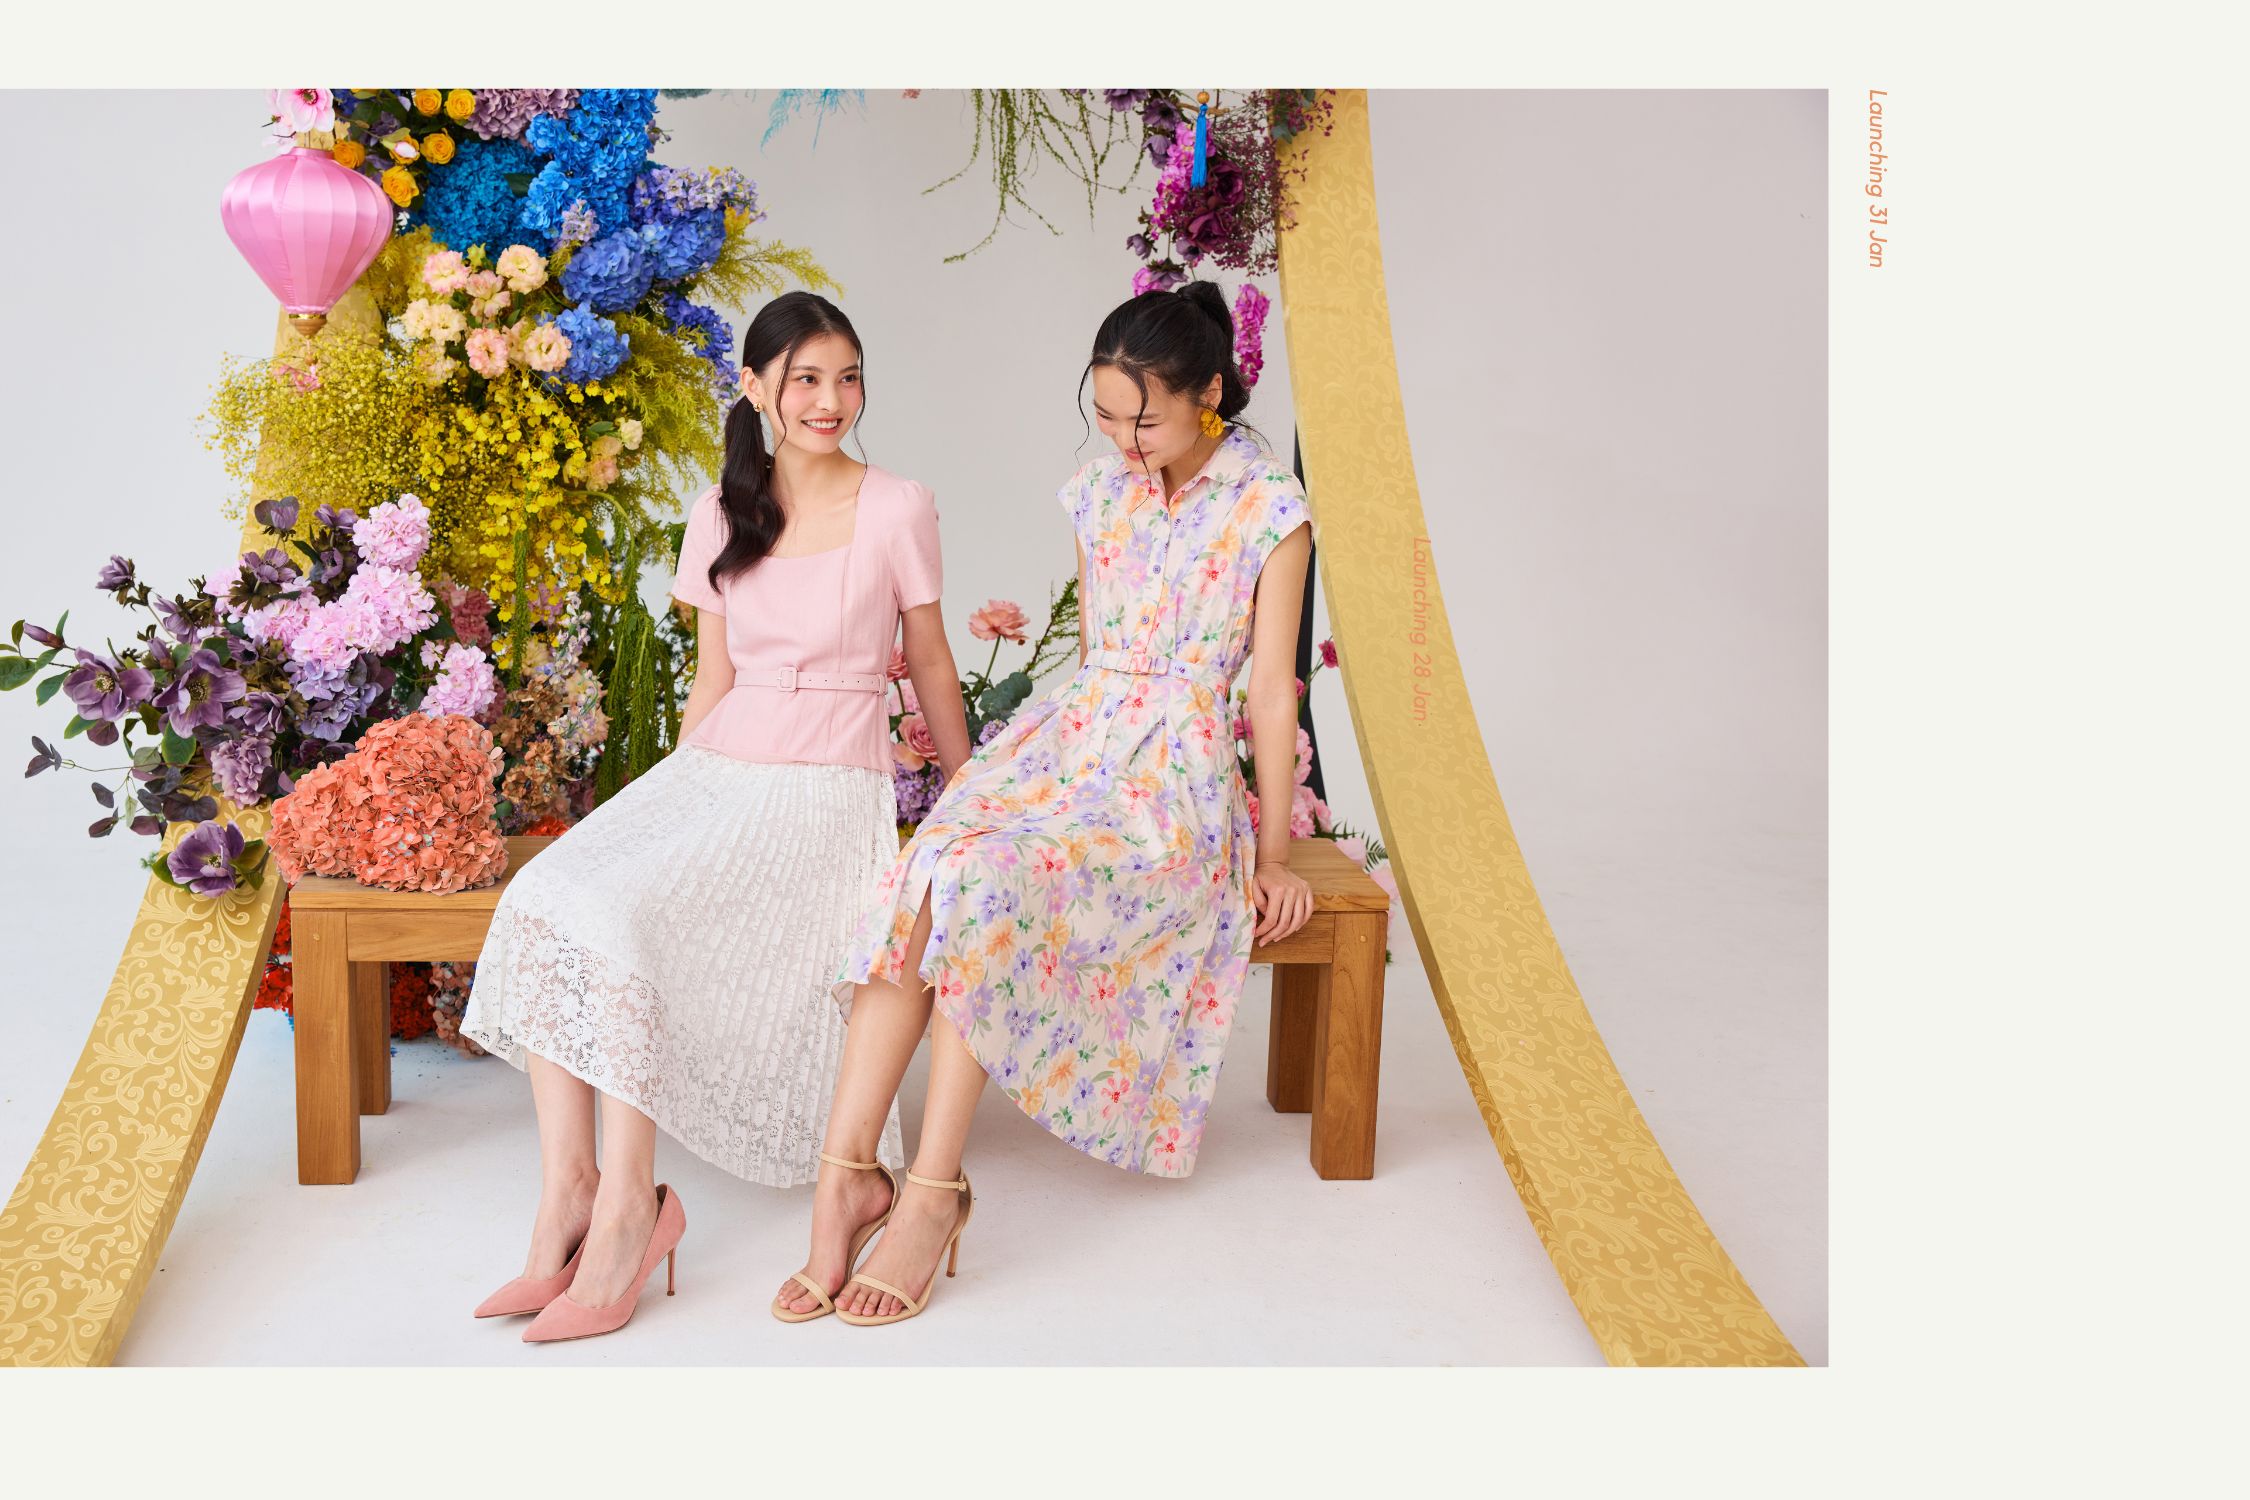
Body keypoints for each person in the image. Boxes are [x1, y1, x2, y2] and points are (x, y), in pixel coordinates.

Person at [770, 280, 1315, 1327]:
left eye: (1144, 421)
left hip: (1172, 784)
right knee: (932, 864)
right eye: (1105, 416)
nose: (1123, 442)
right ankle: (848, 1176)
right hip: (1073, 745)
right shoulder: (1099, 490)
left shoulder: (1269, 509)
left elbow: (1270, 689)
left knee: (986, 879)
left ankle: (933, 1193)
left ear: (1209, 394)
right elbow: (1099, 651)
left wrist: (1277, 854)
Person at [462, 290, 969, 1343]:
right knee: (552, 893)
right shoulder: (719, 512)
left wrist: (968, 793)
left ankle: (627, 1216)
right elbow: (713, 678)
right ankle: (571, 1193)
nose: (831, 401)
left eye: (848, 378)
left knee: (626, 922)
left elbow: (927, 657)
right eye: (806, 380)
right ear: (755, 388)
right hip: (723, 768)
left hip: (825, 789)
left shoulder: (897, 506)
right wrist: (669, 809)